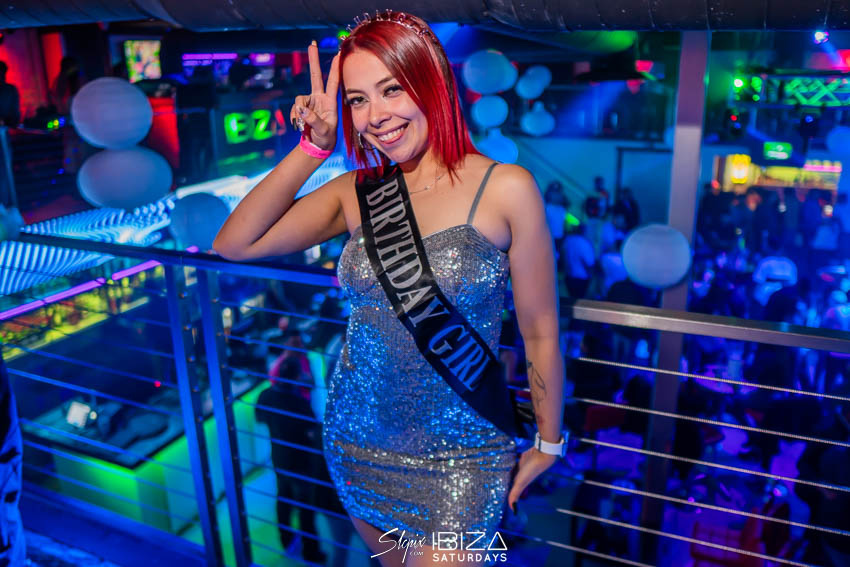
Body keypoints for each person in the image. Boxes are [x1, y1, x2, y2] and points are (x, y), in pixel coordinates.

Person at [213, 12, 564, 566]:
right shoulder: (357, 191)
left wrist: (549, 441)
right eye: (357, 99)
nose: (375, 116)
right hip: (357, 442)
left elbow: (540, 330)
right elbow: (235, 243)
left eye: (391, 89)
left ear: (432, 83)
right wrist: (312, 148)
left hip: (462, 460)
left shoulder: (507, 188)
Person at [0, 61, 20, 128]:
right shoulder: (11, 90)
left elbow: (16, 115)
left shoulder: (11, 90)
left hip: (8, 128)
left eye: (2, 74)